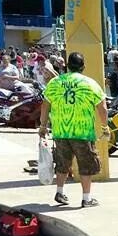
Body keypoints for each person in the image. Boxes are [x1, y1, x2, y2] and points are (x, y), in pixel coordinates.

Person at [38, 51, 109, 207]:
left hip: (61, 131)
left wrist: (43, 126)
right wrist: (105, 127)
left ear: (67, 66)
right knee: (86, 166)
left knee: (62, 163)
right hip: (83, 132)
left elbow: (45, 106)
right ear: (83, 66)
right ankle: (86, 198)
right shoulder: (89, 83)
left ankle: (60, 192)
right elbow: (102, 108)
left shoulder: (54, 83)